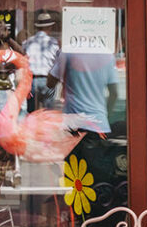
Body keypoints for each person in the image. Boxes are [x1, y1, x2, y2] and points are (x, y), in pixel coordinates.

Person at [48, 50, 119, 189]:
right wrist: (105, 116)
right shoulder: (107, 55)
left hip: (73, 127)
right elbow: (114, 93)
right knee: (98, 181)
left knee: (74, 183)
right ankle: (97, 210)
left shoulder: (68, 52)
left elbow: (50, 82)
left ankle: (78, 211)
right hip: (98, 125)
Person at [24, 12, 60, 112]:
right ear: (50, 27)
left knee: (32, 113)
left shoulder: (28, 42)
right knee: (48, 114)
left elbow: (23, 59)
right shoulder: (53, 43)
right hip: (48, 80)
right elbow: (58, 62)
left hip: (32, 80)